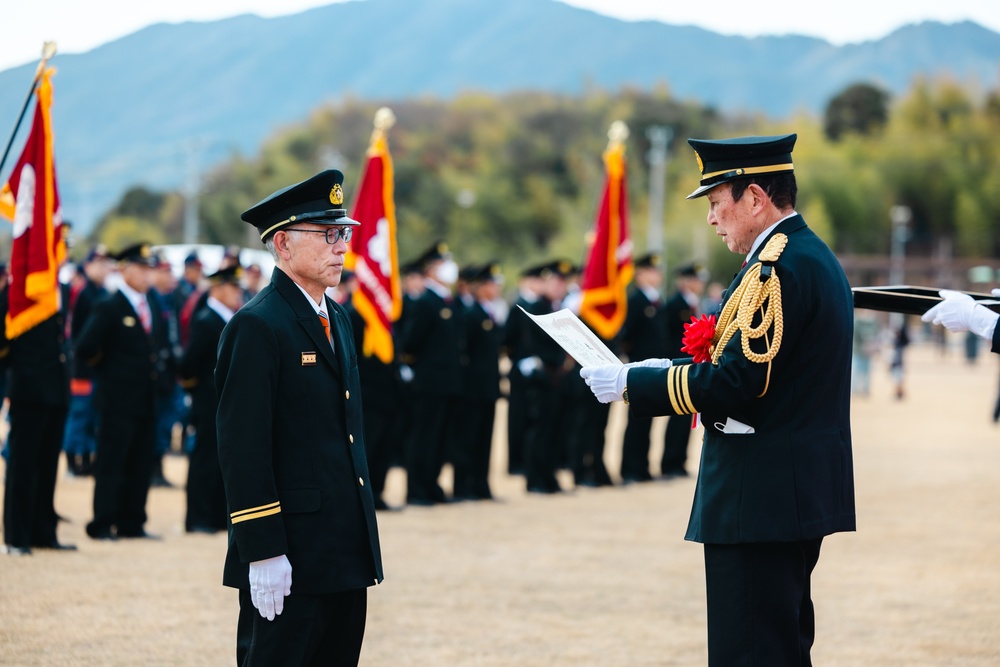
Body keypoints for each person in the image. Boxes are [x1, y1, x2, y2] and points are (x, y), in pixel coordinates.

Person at [581, 134, 856, 666]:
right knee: (775, 647)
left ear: (755, 197)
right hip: (783, 491)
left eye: (715, 202)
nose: (712, 219)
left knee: (751, 652)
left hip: (762, 494)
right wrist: (669, 371)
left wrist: (631, 382)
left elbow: (737, 382)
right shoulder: (802, 257)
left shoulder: (775, 269)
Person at [216, 169, 382, 666]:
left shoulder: (338, 317)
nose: (341, 247)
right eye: (327, 234)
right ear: (283, 244)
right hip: (290, 553)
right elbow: (242, 447)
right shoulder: (257, 325)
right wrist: (262, 549)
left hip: (343, 547)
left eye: (344, 233)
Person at [76, 242, 169, 541]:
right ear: (124, 269)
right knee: (112, 463)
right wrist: (109, 371)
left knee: (140, 461)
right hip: (117, 399)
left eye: (149, 269)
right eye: (141, 268)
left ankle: (132, 521)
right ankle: (103, 522)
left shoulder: (151, 303)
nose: (146, 275)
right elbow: (86, 347)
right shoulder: (110, 305)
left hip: (146, 398)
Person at [0, 267, 75, 555]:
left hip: (56, 387)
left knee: (47, 465)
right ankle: (17, 537)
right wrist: (19, 372)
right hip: (29, 389)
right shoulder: (20, 288)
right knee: (22, 464)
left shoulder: (60, 288)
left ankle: (44, 532)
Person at [178, 264, 245, 534]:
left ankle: (217, 516)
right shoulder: (207, 320)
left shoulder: (232, 318)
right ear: (216, 289)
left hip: (226, 405)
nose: (237, 293)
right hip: (209, 404)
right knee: (204, 461)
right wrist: (201, 392)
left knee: (223, 463)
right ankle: (198, 518)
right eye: (232, 287)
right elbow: (188, 365)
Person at [396, 241, 463, 506]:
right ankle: (417, 489)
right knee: (423, 437)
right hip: (428, 381)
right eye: (442, 264)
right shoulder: (425, 301)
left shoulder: (447, 300)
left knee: (440, 438)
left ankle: (432, 484)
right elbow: (411, 341)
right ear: (431, 269)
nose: (448, 269)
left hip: (447, 382)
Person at [452, 262, 505, 501]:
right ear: (481, 287)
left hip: (488, 387)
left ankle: (481, 484)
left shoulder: (488, 311)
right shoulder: (471, 313)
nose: (496, 288)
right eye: (492, 284)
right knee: (467, 439)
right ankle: (463, 486)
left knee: (485, 439)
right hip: (472, 388)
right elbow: (465, 353)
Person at [619, 252, 669, 483]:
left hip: (654, 369)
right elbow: (627, 334)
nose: (656, 275)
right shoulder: (635, 300)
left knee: (649, 419)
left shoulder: (655, 300)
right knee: (636, 421)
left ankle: (643, 467)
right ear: (639, 274)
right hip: (639, 368)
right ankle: (630, 468)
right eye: (652, 271)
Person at [62, 244, 111, 477]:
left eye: (106, 263)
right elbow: (80, 337)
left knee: (92, 418)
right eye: (98, 263)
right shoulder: (84, 293)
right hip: (82, 368)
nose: (103, 268)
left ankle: (86, 459)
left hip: (97, 369)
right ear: (88, 265)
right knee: (79, 416)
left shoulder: (102, 293)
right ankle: (72, 460)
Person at [660, 262, 707, 479]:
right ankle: (669, 462)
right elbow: (668, 337)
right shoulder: (674, 304)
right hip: (678, 365)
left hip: (691, 366)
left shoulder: (692, 303)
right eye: (696, 279)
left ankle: (678, 461)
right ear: (685, 281)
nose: (699, 284)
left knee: (686, 418)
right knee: (677, 417)